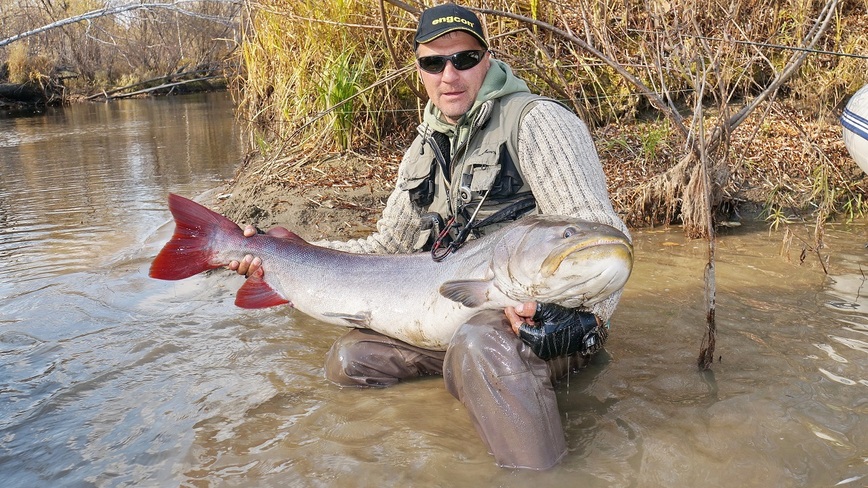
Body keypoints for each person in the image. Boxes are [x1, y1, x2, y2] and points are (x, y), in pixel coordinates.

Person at [230, 2, 630, 470]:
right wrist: (289, 253)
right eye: (433, 62)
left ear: (486, 57)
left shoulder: (539, 122)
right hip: (449, 316)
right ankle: (457, 417)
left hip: (537, 326)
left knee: (479, 346)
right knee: (351, 359)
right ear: (419, 69)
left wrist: (588, 325)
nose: (449, 74)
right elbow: (384, 249)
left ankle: (542, 474)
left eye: (463, 58)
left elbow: (603, 234)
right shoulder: (424, 146)